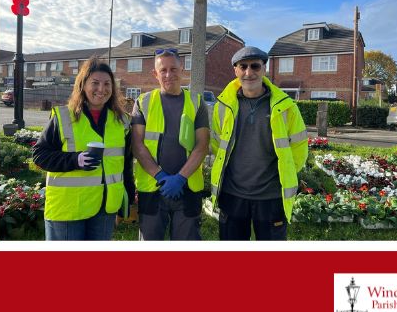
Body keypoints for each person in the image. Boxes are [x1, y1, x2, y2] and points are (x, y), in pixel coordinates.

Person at [210, 46, 308, 240]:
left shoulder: (287, 107)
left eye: (255, 66)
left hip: (271, 197)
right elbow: (216, 145)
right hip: (232, 195)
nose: (249, 72)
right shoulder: (222, 107)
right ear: (235, 71)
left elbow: (299, 149)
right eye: (243, 67)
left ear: (264, 69)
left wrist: (285, 174)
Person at [33, 57, 133, 241]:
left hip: (105, 207)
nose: (101, 89)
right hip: (68, 209)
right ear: (83, 84)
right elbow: (40, 155)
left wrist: (125, 201)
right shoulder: (64, 117)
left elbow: (125, 164)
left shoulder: (122, 121)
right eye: (95, 83)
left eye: (107, 84)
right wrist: (74, 160)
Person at [132, 48, 209, 240]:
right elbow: (138, 145)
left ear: (182, 69)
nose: (168, 75)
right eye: (163, 70)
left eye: (173, 69)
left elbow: (202, 145)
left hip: (187, 187)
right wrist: (160, 176)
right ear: (155, 74)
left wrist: (180, 178)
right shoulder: (143, 102)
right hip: (153, 188)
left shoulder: (197, 102)